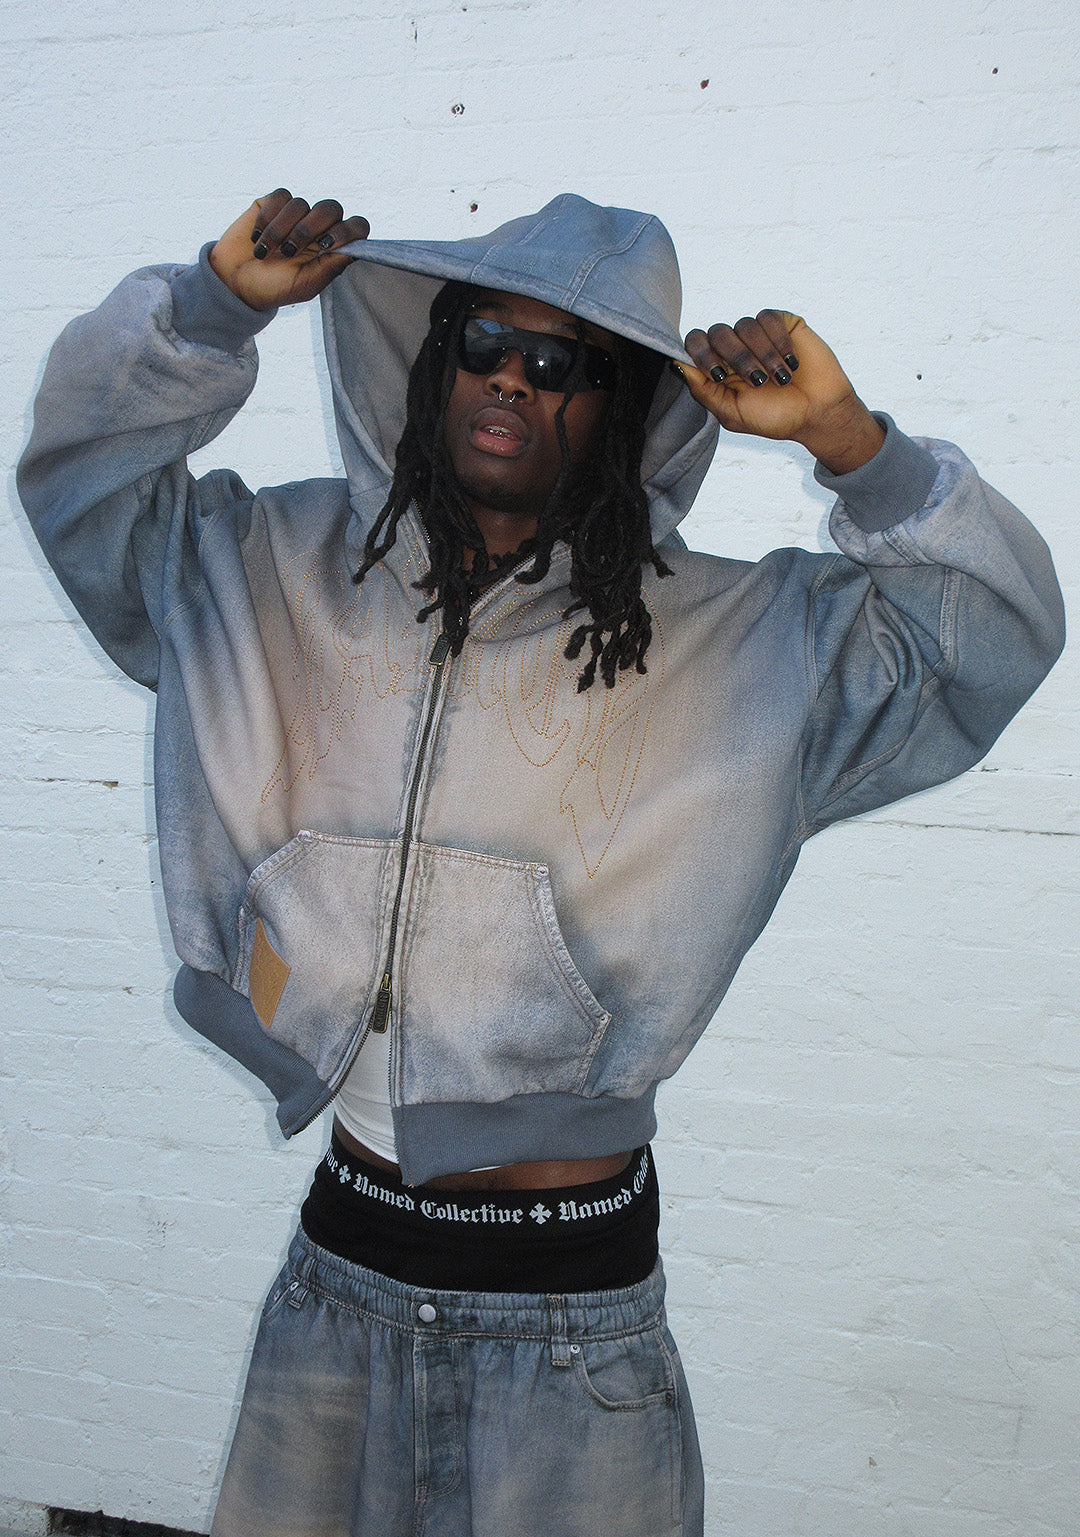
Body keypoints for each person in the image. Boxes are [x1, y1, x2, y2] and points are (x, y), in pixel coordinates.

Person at [18, 188, 1064, 1537]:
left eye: (563, 362)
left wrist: (851, 445)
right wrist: (214, 307)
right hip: (340, 1273)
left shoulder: (747, 644)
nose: (512, 377)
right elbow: (83, 479)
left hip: (573, 1326)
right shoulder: (259, 565)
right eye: (484, 344)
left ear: (629, 412)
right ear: (433, 366)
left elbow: (990, 637)